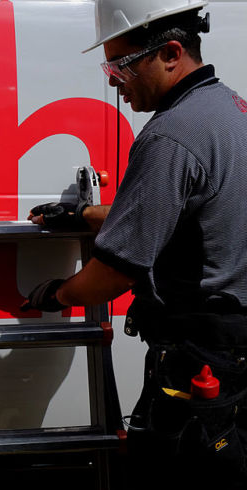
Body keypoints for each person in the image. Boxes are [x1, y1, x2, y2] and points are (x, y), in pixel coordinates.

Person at [23, 0, 247, 488]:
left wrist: (60, 293)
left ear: (169, 53)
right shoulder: (230, 110)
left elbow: (113, 275)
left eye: (119, 65)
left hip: (198, 358)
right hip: (235, 355)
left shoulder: (170, 135)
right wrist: (84, 214)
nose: (111, 80)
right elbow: (191, 208)